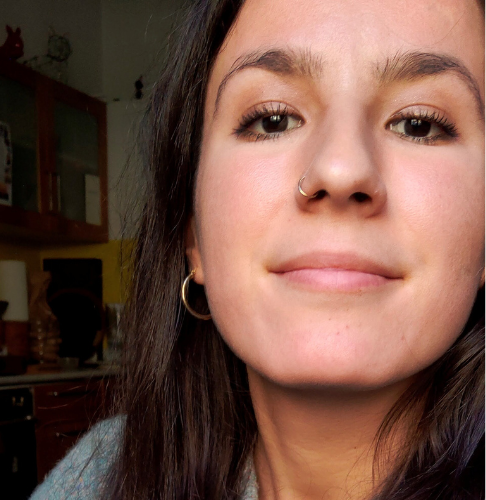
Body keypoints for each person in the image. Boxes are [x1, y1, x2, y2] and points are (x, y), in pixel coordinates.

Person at [30, 0, 485, 499]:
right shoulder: (98, 477)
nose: (340, 170)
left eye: (419, 124)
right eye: (272, 120)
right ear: (193, 235)